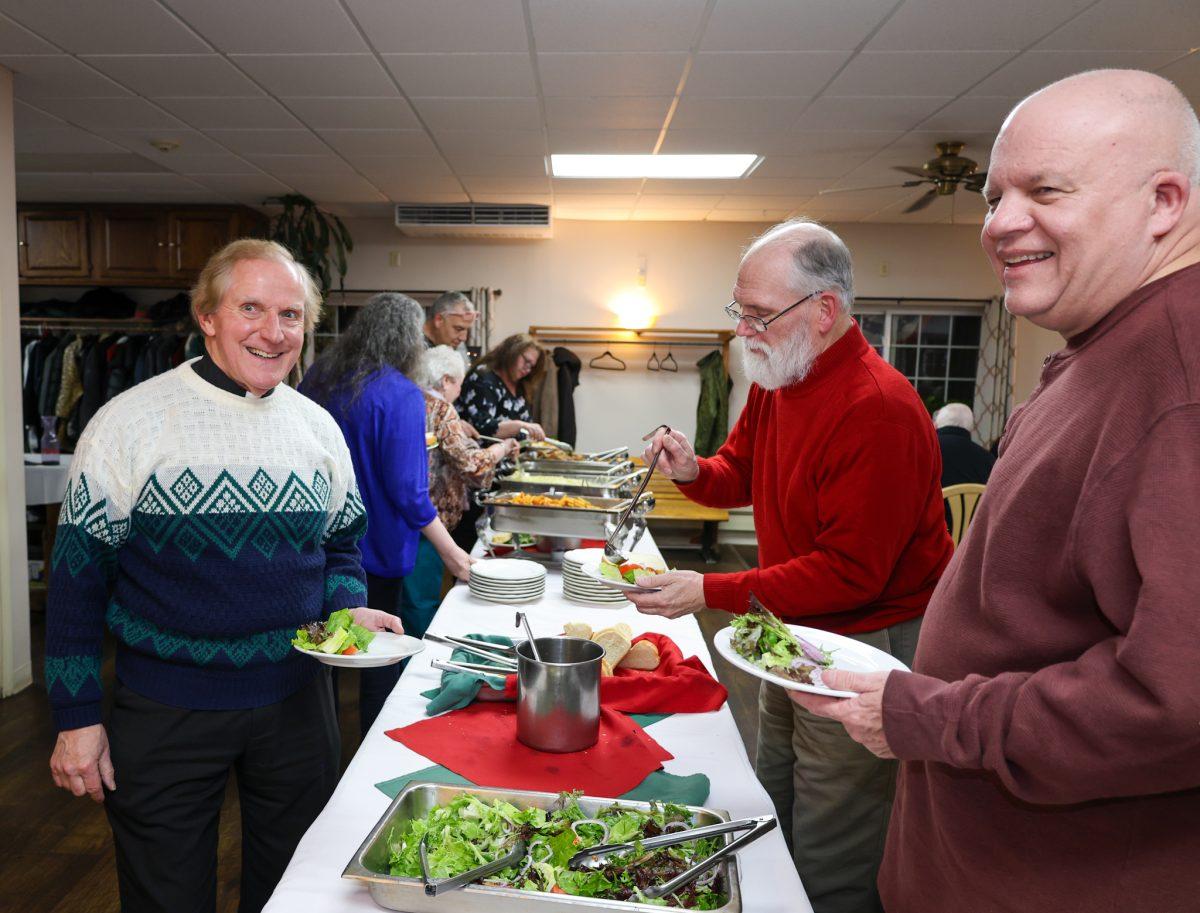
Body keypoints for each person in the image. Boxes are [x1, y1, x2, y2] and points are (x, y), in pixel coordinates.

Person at [790, 69, 1200, 913]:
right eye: (994, 195)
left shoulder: (1178, 371)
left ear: (1164, 202)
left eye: (1045, 190)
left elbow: (1173, 699)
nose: (1000, 223)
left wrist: (928, 716)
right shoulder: (1109, 344)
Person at [45, 239, 402, 913]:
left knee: (297, 894)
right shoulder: (128, 423)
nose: (274, 332)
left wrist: (349, 608)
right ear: (206, 315)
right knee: (164, 897)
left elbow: (342, 548)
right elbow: (75, 582)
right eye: (251, 308)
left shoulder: (318, 429)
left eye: (291, 314)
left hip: (298, 702)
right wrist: (76, 716)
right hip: (165, 707)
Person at [625, 219, 954, 913]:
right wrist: (692, 468)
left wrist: (708, 587)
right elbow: (738, 472)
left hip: (864, 643)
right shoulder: (783, 377)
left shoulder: (879, 407)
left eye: (758, 314)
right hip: (790, 625)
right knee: (771, 793)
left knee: (835, 839)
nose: (744, 330)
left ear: (824, 310)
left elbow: (850, 573)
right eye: (738, 311)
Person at [300, 293, 473, 737]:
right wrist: (453, 554)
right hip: (376, 548)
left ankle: (326, 746)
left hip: (315, 542)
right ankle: (375, 750)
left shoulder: (319, 377)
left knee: (327, 654)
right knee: (380, 657)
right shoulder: (400, 394)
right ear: (406, 341)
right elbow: (409, 492)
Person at [405, 345, 519, 621]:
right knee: (421, 604)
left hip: (408, 518)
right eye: (459, 383)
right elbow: (469, 464)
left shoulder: (414, 400)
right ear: (446, 380)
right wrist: (501, 449)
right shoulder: (442, 409)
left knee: (407, 601)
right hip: (430, 519)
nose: (460, 390)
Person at [452, 333, 547, 550]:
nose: (528, 369)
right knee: (474, 544)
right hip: (477, 478)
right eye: (526, 361)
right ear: (511, 352)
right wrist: (518, 426)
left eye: (532, 366)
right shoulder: (483, 378)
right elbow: (481, 427)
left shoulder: (519, 385)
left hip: (503, 476)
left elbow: (521, 430)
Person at [932, 401, 995, 486]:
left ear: (936, 425)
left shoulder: (927, 450)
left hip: (935, 499)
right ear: (971, 428)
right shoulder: (988, 459)